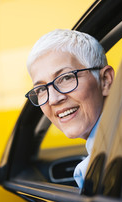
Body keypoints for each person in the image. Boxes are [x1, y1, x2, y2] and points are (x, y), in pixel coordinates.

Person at [25, 29, 114, 188]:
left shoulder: (100, 171)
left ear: (105, 80)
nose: (53, 99)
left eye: (66, 78)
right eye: (41, 89)